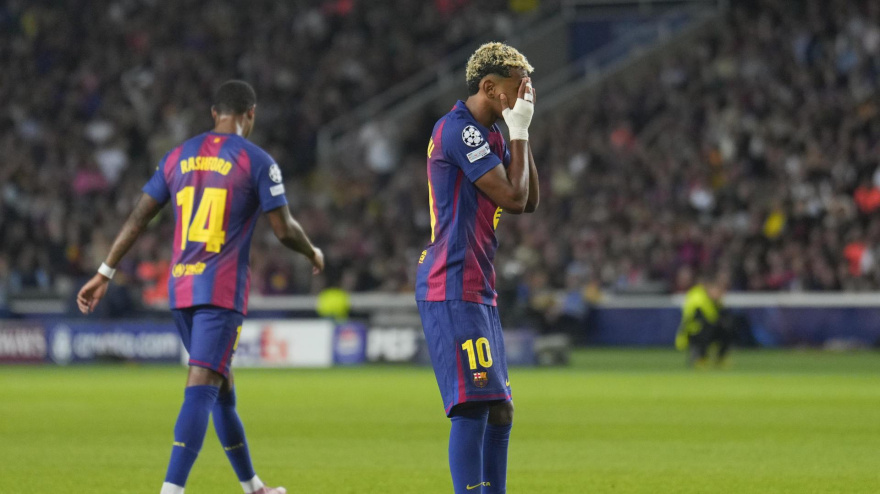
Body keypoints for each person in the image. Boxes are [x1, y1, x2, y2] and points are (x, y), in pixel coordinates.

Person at [76, 80, 324, 494]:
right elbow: (283, 230)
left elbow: (139, 218)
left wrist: (105, 270)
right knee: (202, 384)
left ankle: (254, 487)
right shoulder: (258, 161)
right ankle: (171, 490)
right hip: (221, 294)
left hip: (181, 291)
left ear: (214, 114)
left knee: (222, 387)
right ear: (251, 114)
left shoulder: (177, 156)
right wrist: (312, 251)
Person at [415, 42, 539, 493]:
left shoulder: (493, 135)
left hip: (478, 284)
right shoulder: (459, 131)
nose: (527, 93)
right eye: (518, 85)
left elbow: (529, 200)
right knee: (472, 406)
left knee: (500, 408)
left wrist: (520, 130)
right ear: (489, 86)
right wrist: (520, 132)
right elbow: (513, 197)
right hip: (452, 281)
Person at [675, 275, 734, 368]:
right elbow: (701, 317)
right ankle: (700, 358)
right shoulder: (698, 296)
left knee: (728, 328)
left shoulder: (714, 299)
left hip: (707, 328)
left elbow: (721, 316)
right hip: (693, 331)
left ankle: (720, 358)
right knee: (706, 327)